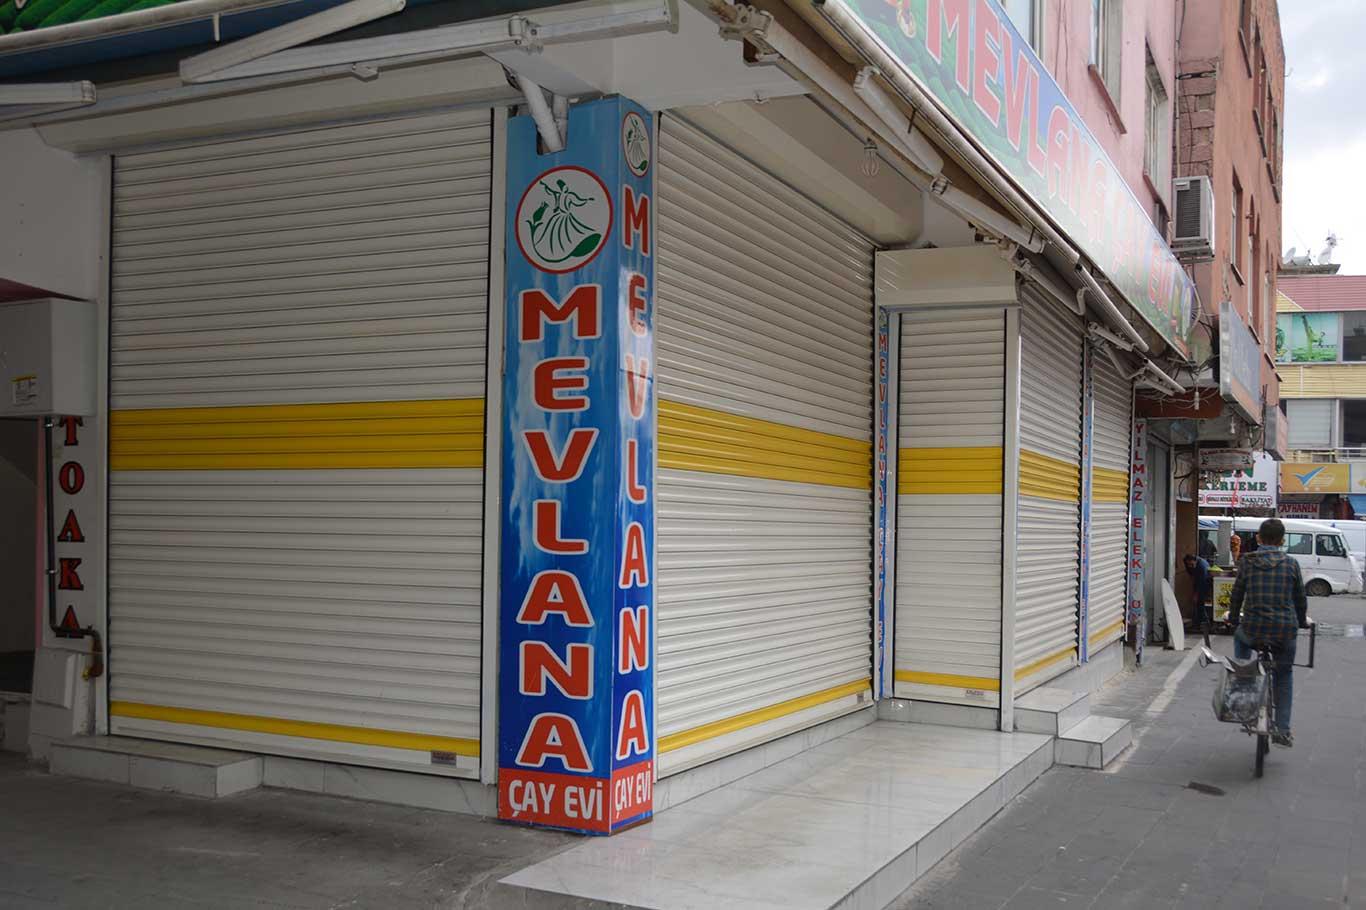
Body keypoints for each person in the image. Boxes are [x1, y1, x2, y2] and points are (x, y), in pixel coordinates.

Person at [1228, 518, 1310, 747]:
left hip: (1252, 630)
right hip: (1284, 631)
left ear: (1258, 538)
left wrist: (1233, 618)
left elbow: (1237, 595)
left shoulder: (1247, 561)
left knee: (1240, 638)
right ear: (1282, 541)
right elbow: (1300, 599)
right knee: (1284, 675)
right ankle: (1282, 730)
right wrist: (1302, 621)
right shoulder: (1291, 564)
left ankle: (1243, 674)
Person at [1184, 553, 1213, 628]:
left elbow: (1201, 583)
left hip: (1205, 583)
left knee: (1200, 602)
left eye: (1191, 564)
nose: (1190, 566)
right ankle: (1198, 621)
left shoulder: (1202, 567)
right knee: (1198, 603)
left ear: (1195, 561)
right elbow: (1190, 572)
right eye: (1188, 564)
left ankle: (1204, 622)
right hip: (1198, 581)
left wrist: (1196, 595)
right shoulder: (1188, 562)